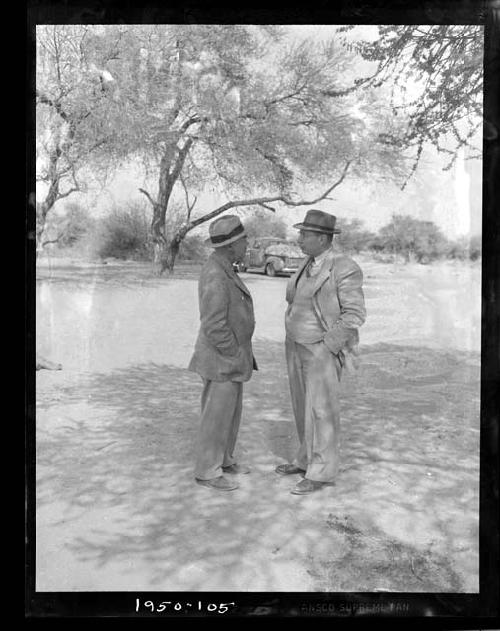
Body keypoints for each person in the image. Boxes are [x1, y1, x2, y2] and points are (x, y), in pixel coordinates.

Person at [275, 209, 366, 495]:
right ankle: (305, 460)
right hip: (296, 345)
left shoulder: (345, 267)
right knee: (303, 406)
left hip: (321, 350)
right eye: (301, 233)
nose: (299, 239)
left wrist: (328, 347)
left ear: (324, 239)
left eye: (305, 234)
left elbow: (354, 315)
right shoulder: (307, 263)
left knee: (322, 410)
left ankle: (322, 473)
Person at [188, 215, 257, 491]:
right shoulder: (216, 273)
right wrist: (232, 352)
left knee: (229, 414)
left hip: (230, 359)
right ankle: (207, 471)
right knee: (216, 417)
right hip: (221, 359)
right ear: (232, 246)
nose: (247, 243)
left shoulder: (224, 266)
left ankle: (225, 460)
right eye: (243, 240)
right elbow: (214, 324)